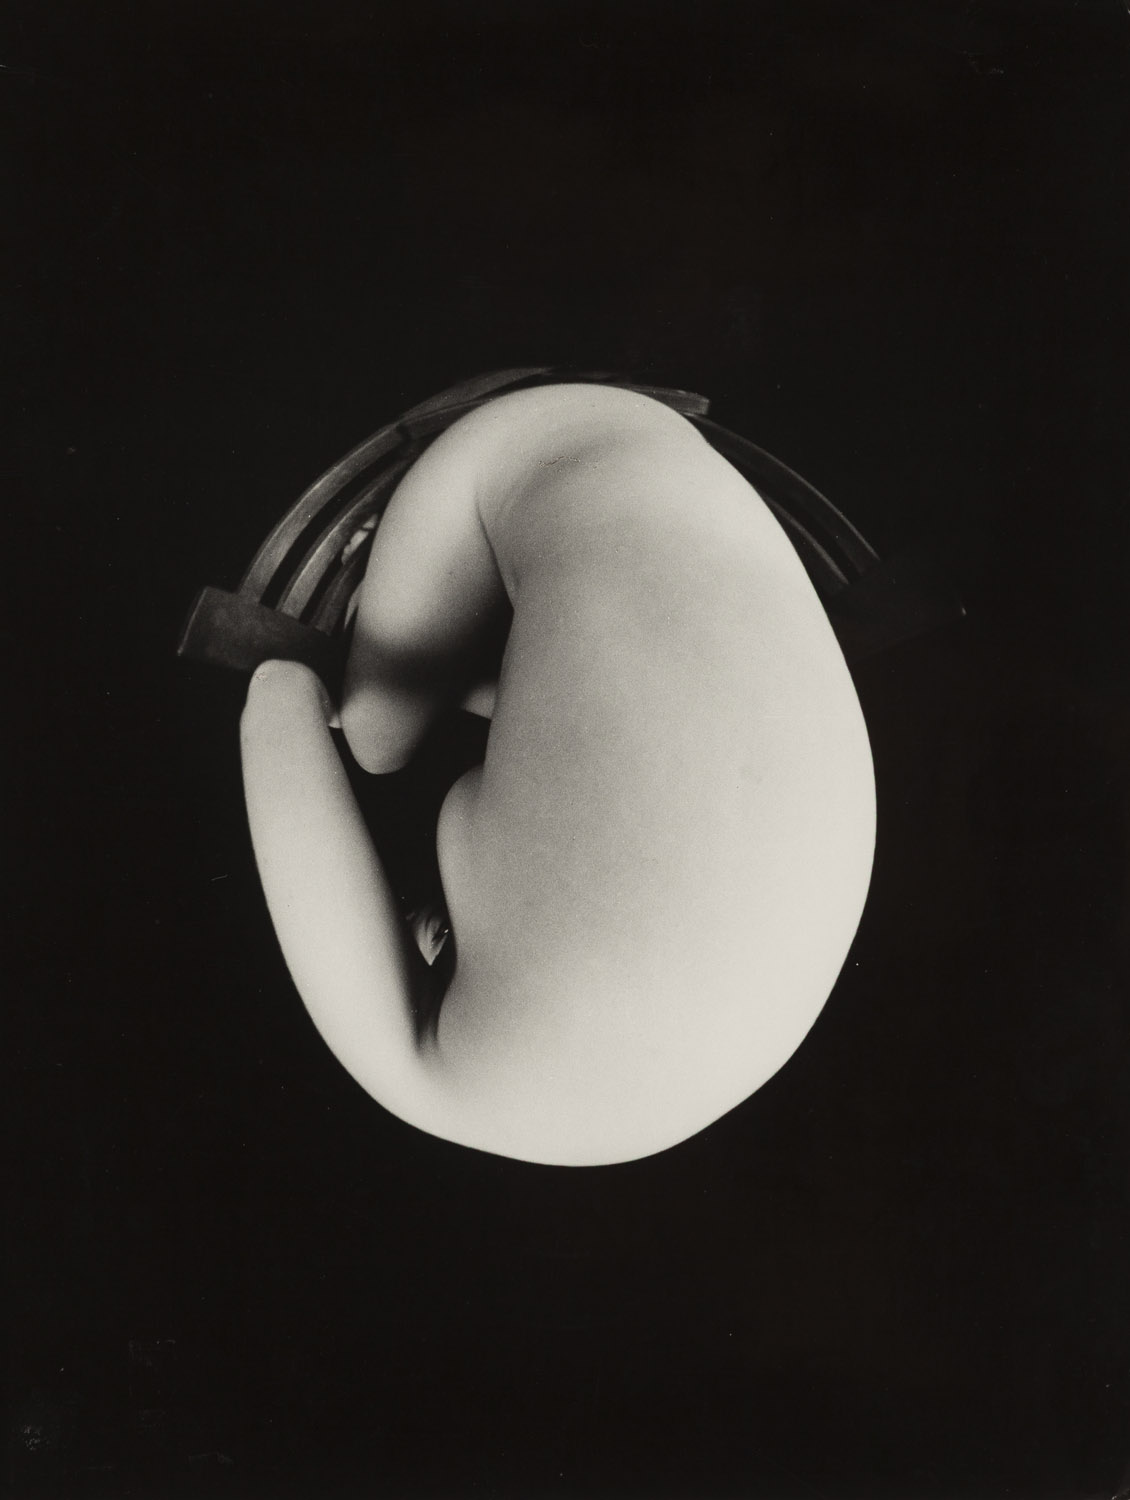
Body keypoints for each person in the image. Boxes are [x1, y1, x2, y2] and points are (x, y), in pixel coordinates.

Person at [239, 383, 875, 1166]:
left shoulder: (677, 1079)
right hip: (531, 449)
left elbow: (606, 709)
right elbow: (277, 695)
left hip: (667, 477)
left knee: (416, 716)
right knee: (375, 736)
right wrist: (303, 700)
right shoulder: (450, 1086)